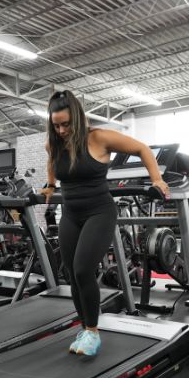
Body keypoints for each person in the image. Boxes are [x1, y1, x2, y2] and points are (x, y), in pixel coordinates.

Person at [39, 90, 169, 356]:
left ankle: (93, 332)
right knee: (70, 273)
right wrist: (50, 185)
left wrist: (156, 179)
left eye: (66, 124)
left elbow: (142, 148)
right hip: (71, 214)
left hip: (99, 211)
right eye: (57, 125)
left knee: (83, 269)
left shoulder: (99, 138)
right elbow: (52, 162)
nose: (62, 130)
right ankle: (85, 327)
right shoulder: (53, 143)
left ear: (77, 118)